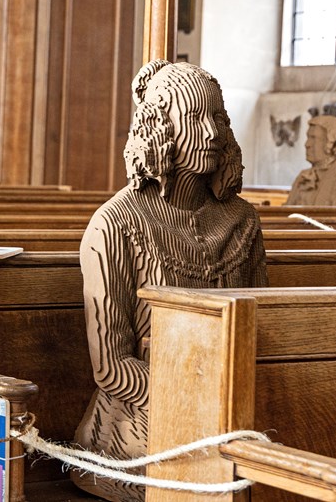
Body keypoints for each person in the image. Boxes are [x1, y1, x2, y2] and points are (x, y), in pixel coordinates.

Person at [72, 60, 267, 502]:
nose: (213, 133)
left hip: (231, 418)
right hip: (137, 436)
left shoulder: (242, 220)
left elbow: (263, 329)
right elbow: (110, 366)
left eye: (218, 117)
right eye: (197, 117)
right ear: (160, 128)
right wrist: (202, 405)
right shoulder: (116, 224)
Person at [284, 114, 336, 206]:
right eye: (308, 138)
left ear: (331, 142)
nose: (307, 144)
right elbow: (286, 213)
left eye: (313, 138)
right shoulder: (303, 176)